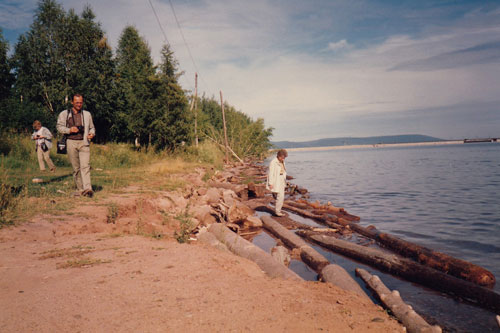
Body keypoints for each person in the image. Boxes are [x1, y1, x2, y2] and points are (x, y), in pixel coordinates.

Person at [57, 94, 95, 197]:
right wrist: (69, 130)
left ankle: (88, 189)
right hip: (71, 142)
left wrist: (91, 134)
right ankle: (81, 189)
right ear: (72, 102)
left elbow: (92, 128)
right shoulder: (65, 114)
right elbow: (59, 127)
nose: (79, 104)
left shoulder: (87, 114)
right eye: (77, 102)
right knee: (76, 168)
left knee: (85, 166)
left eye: (81, 102)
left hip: (84, 142)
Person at [266, 149, 288, 216]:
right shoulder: (273, 162)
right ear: (279, 156)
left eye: (284, 157)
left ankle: (278, 210)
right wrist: (270, 183)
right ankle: (278, 212)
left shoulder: (282, 161)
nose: (283, 159)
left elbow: (283, 170)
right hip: (276, 180)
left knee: (281, 196)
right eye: (282, 157)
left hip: (281, 179)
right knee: (280, 196)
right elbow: (271, 173)